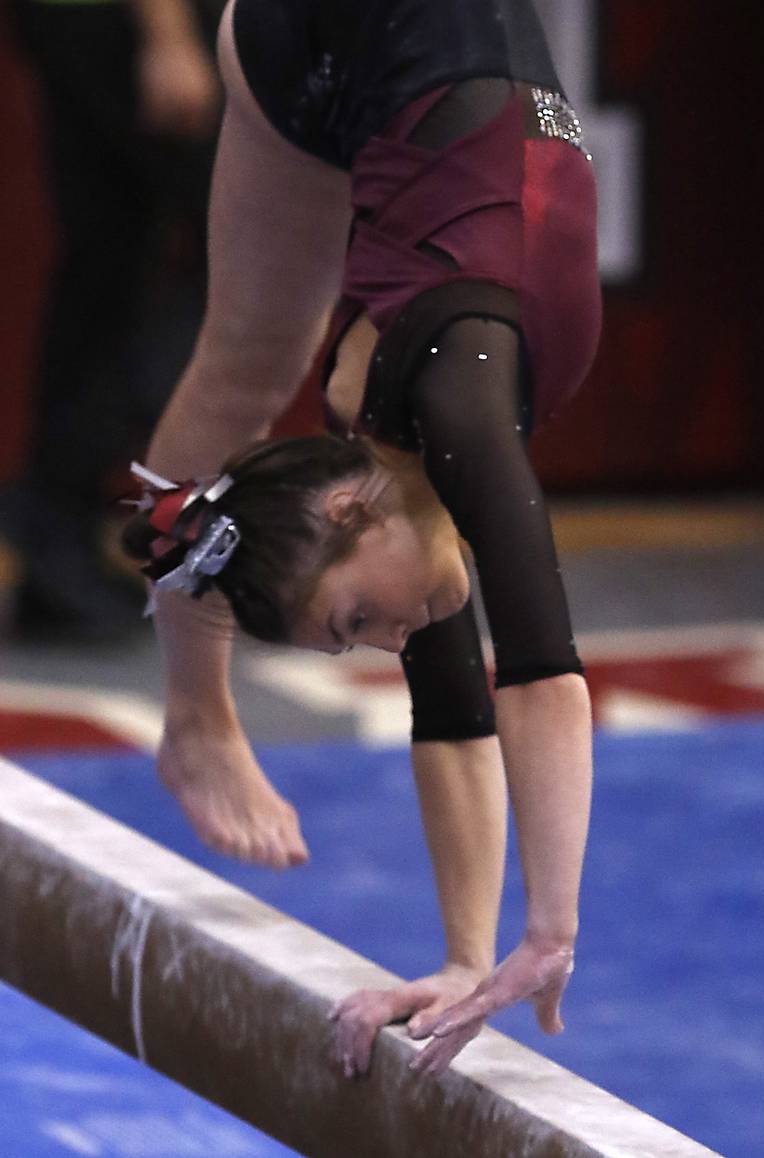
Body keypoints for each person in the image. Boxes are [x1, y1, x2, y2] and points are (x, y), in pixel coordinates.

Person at [127, 0, 601, 1077]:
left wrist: (546, 936)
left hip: (315, 30)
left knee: (252, 361)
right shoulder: (390, 482)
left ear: (345, 510)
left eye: (354, 624)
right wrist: (461, 959)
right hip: (397, 73)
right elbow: (451, 702)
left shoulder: (459, 401)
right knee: (254, 357)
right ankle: (195, 717)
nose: (390, 641)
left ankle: (197, 718)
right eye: (357, 641)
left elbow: (537, 671)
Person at [2, 0, 222, 641]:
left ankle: (56, 541)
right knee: (252, 257)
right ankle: (60, 493)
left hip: (71, 19)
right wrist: (169, 34)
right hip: (133, 24)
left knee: (109, 264)